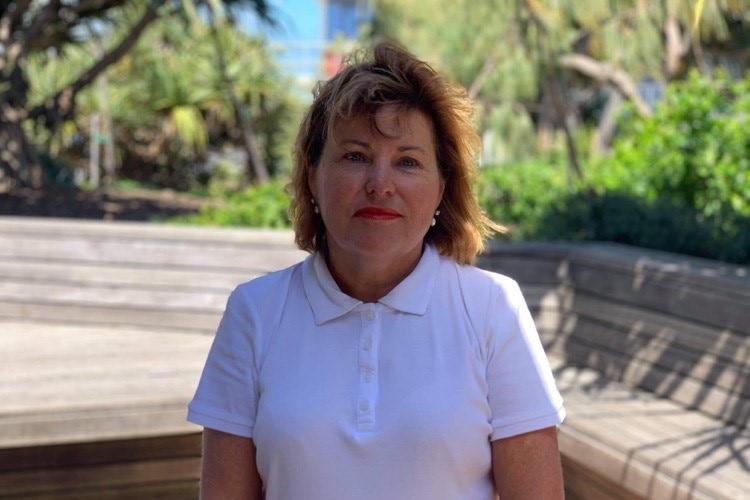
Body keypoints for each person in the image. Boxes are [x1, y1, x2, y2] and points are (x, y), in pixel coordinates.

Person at [188, 42, 565, 499]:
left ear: (442, 188)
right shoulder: (255, 312)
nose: (380, 184)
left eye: (407, 162)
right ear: (312, 175)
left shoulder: (492, 309)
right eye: (355, 156)